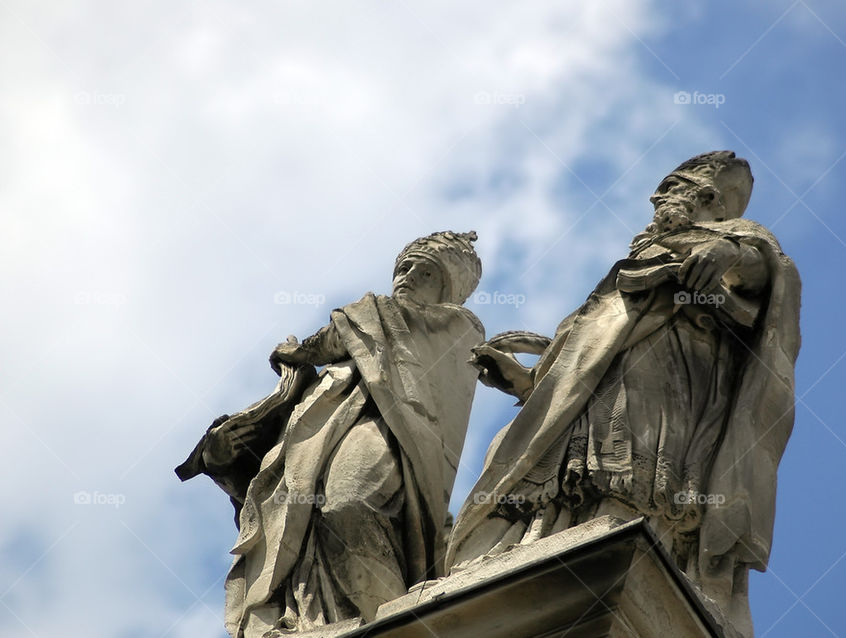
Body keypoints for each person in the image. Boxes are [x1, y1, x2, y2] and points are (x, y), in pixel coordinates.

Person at [449, 153, 800, 637]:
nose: (656, 198)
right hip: (612, 381)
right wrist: (529, 379)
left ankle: (633, 536)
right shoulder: (640, 255)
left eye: (669, 187)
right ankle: (550, 536)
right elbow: (586, 357)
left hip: (678, 370)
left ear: (708, 198)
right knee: (574, 462)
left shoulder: (740, 239)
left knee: (635, 463)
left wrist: (731, 254)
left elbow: (766, 275)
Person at [179, 231, 484, 637]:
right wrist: (220, 455)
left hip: (391, 437)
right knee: (309, 525)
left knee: (349, 503)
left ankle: (393, 621)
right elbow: (276, 459)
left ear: (447, 287)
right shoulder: (346, 365)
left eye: (424, 271)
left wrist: (303, 350)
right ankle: (328, 622)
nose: (407, 276)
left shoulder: (457, 329)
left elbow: (355, 326)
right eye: (403, 267)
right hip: (321, 455)